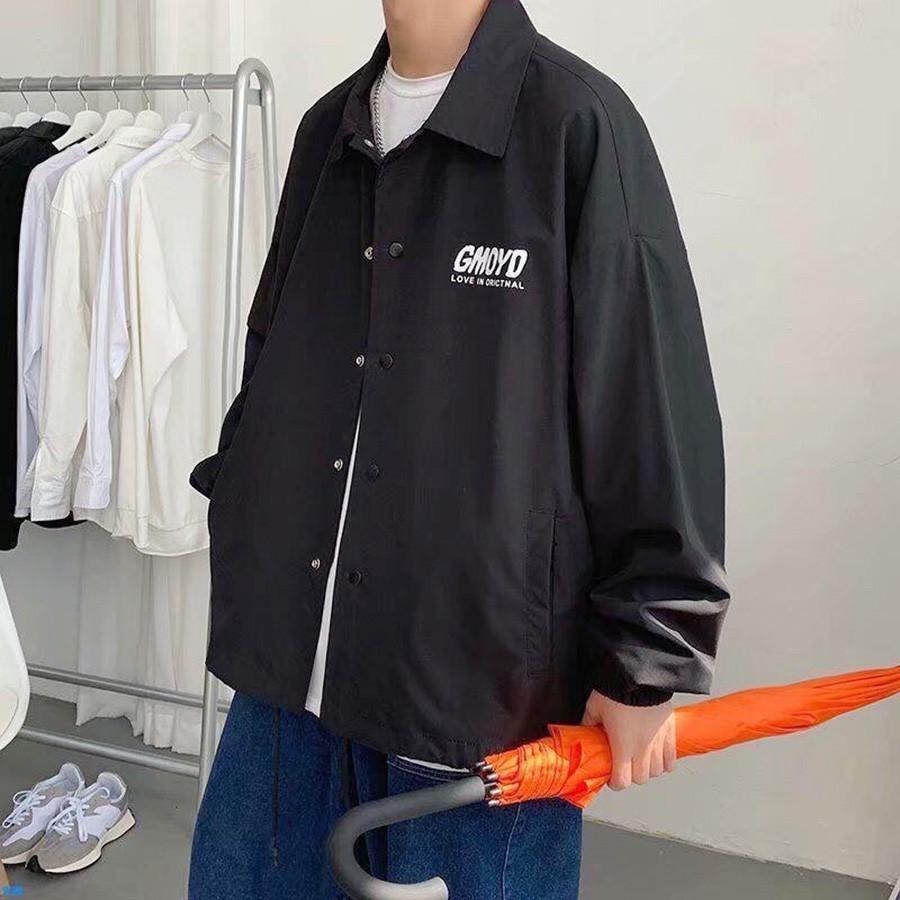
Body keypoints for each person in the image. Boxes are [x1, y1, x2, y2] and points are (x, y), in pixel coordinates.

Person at [188, 0, 730, 896]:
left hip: (473, 700)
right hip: (287, 686)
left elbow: (650, 403)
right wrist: (245, 502)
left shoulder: (575, 123)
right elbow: (274, 353)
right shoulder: (328, 131)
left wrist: (646, 656)